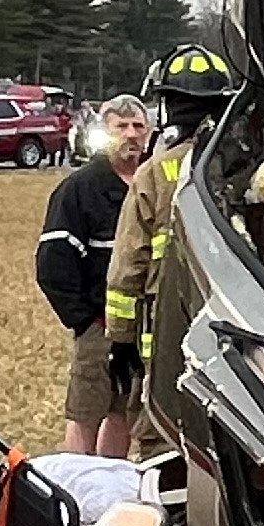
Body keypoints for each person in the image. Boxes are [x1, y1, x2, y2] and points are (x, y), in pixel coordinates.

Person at [103, 44, 239, 405]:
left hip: (167, 331)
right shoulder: (246, 166)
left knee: (160, 431)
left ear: (167, 106)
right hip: (239, 330)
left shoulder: (153, 174)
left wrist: (119, 339)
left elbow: (127, 267)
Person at [39, 93, 151, 456]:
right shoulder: (79, 189)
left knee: (123, 413)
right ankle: (77, 488)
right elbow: (53, 265)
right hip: (100, 327)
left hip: (143, 328)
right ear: (103, 134)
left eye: (138, 126)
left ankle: (110, 484)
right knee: (87, 412)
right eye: (121, 127)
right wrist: (86, 321)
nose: (131, 135)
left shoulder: (152, 184)